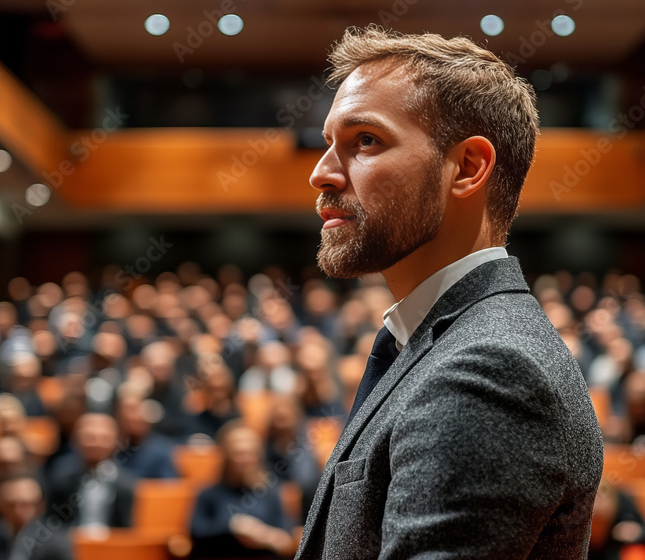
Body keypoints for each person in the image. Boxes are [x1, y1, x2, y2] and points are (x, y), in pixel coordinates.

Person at [296, 26, 603, 559]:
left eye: (364, 140)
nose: (320, 175)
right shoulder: (445, 341)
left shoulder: (489, 369)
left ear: (467, 167)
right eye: (329, 144)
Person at [190, 421, 295, 559]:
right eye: (237, 453)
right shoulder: (209, 493)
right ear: (226, 455)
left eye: (249, 453)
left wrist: (263, 534)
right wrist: (232, 526)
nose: (244, 459)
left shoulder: (270, 492)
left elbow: (286, 537)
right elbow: (196, 533)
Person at [0, 471, 72, 560]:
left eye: (26, 504)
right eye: (11, 504)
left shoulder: (59, 542)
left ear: (41, 505)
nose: (18, 510)